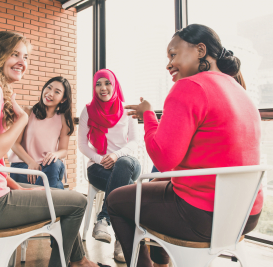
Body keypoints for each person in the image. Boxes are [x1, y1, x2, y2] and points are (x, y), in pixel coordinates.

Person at [106, 24, 263, 267]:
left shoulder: (190, 87)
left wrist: (148, 115)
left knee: (116, 201)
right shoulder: (239, 90)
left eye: (173, 54)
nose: (168, 64)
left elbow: (163, 159)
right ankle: (162, 263)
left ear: (200, 50)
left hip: (203, 216)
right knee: (157, 188)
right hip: (245, 215)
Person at [0, 31, 101, 267]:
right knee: (77, 203)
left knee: (59, 197)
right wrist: (21, 119)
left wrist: (17, 187)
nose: (22, 61)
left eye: (26, 56)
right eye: (14, 54)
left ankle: (78, 261)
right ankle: (72, 262)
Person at [78, 69, 141, 263]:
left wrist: (115, 155)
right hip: (98, 167)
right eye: (98, 84)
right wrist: (100, 159)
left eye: (107, 83)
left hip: (127, 162)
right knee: (128, 188)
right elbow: (82, 145)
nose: (103, 88)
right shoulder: (88, 111)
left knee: (122, 165)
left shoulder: (127, 109)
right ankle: (122, 241)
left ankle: (103, 219)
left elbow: (134, 142)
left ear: (115, 85)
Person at [8, 76, 74, 189]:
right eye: (49, 88)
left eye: (57, 92)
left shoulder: (63, 119)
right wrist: (31, 163)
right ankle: (55, 191)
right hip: (24, 166)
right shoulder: (27, 112)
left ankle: (40, 196)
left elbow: (63, 150)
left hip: (48, 166)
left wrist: (55, 154)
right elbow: (14, 144)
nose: (50, 93)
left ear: (63, 99)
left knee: (55, 164)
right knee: (56, 185)